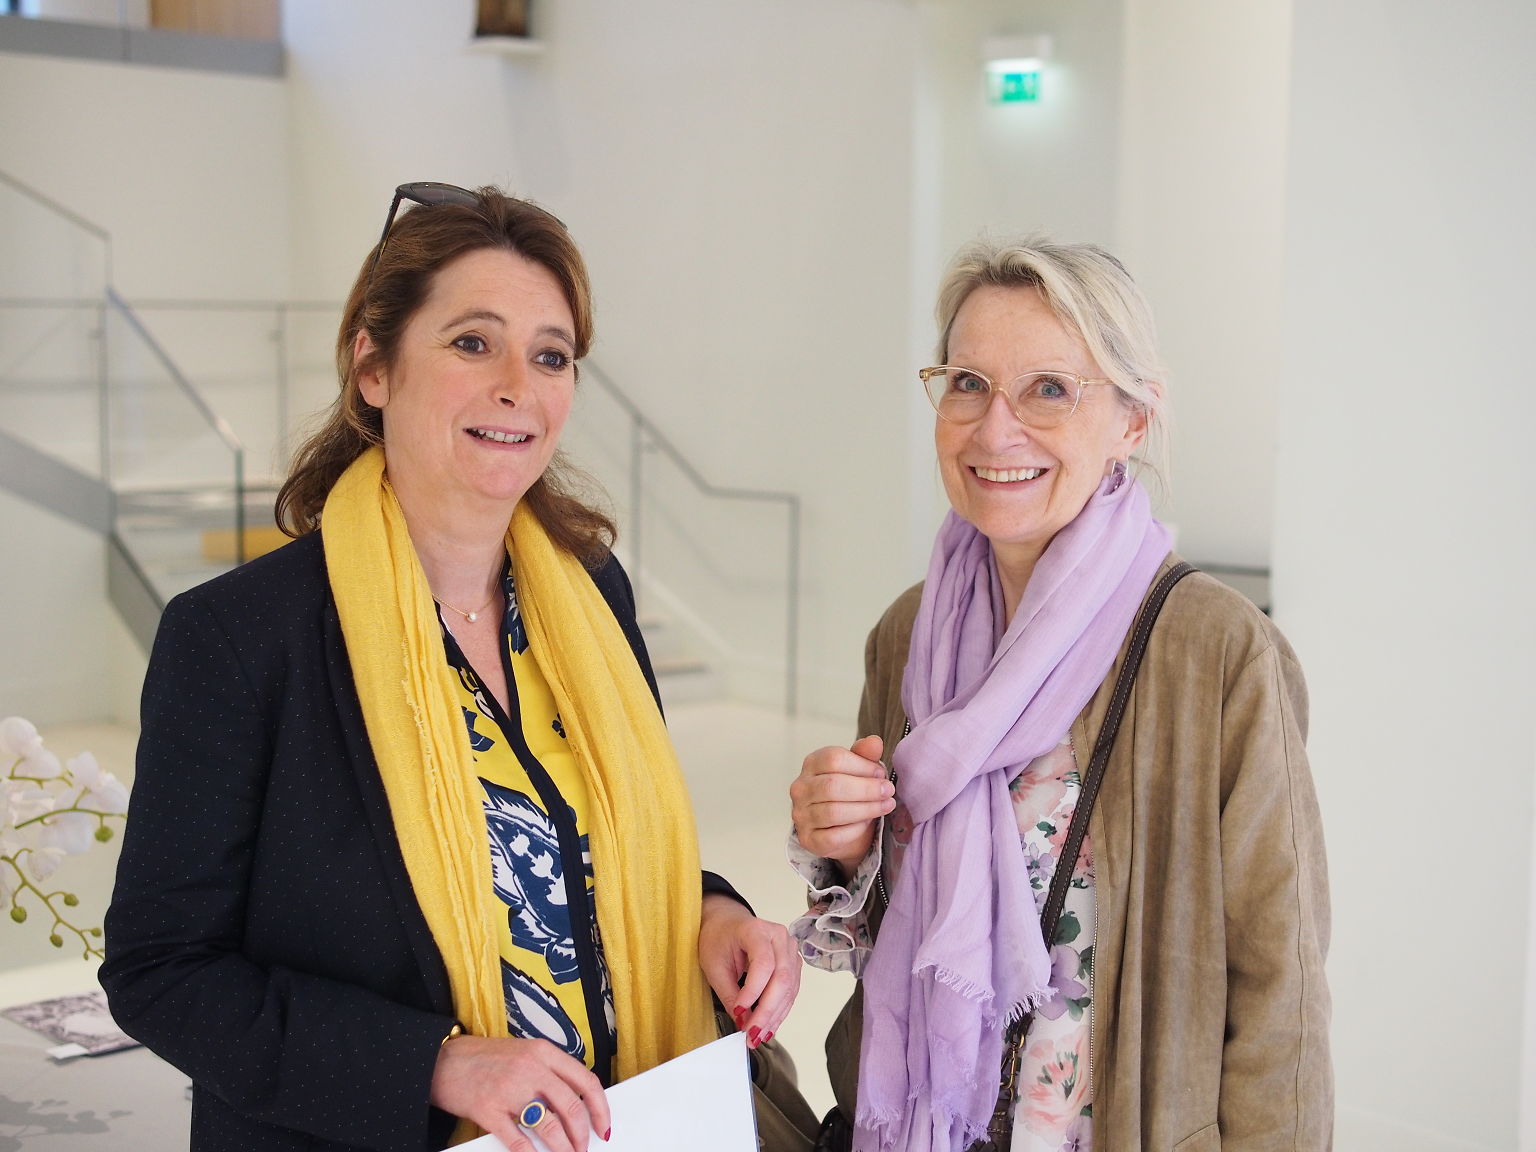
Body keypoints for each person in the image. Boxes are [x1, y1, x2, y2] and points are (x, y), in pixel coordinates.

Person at [102, 183, 810, 1152]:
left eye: (550, 355)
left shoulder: (590, 594)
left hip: (631, 1122)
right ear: (374, 368)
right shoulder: (238, 639)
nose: (519, 384)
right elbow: (161, 969)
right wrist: (435, 1064)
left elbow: (587, 848)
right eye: (474, 343)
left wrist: (715, 914)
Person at [788, 238, 1331, 1152]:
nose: (996, 430)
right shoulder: (909, 636)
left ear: (1132, 420)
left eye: (1049, 388)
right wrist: (844, 850)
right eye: (968, 383)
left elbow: (1283, 987)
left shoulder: (1216, 650)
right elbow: (894, 938)